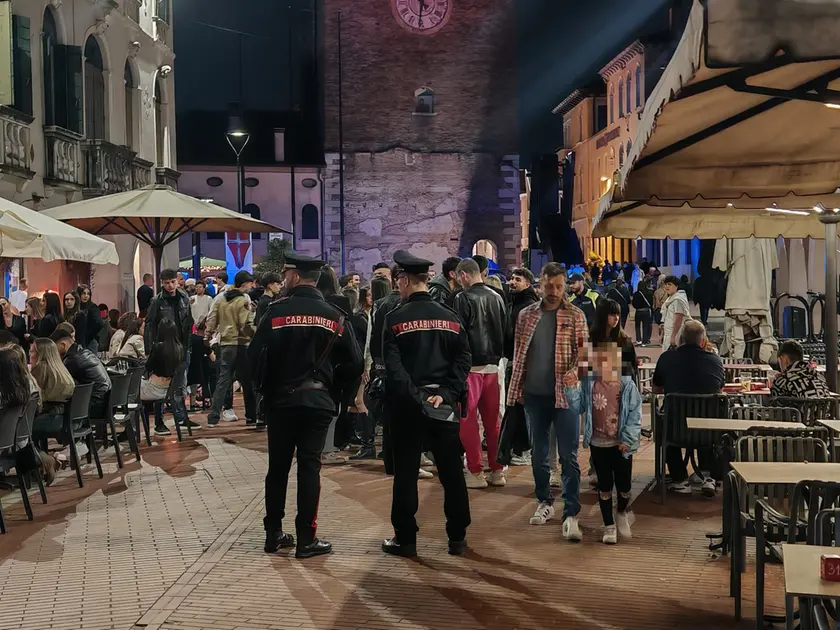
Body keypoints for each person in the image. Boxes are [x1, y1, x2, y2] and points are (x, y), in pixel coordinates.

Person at [249, 251, 362, 559]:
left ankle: (273, 534)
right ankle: (306, 539)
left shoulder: (275, 312)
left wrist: (264, 392)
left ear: (295, 277)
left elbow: (252, 360)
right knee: (309, 467)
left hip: (280, 402)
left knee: (278, 469)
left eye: (286, 275)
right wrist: (338, 396)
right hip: (318, 400)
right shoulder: (335, 316)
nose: (284, 280)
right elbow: (354, 363)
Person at [379, 251, 472, 557]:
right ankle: (457, 536)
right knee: (451, 473)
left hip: (408, 409)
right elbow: (463, 359)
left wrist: (414, 396)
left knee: (406, 474)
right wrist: (447, 392)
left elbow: (393, 369)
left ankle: (405, 539)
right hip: (443, 407)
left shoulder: (394, 318)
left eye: (399, 280)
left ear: (404, 280)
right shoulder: (450, 316)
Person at [508, 262, 587, 541]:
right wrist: (515, 390)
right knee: (539, 455)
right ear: (539, 285)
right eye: (548, 286)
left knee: (569, 456)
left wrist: (574, 371)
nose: (553, 291)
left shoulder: (576, 315)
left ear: (565, 286)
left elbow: (586, 356)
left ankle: (571, 511)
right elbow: (519, 354)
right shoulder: (526, 315)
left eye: (558, 286)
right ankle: (545, 502)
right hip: (534, 395)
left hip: (565, 396)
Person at [565, 343, 641, 544]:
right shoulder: (590, 384)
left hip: (621, 444)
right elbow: (578, 407)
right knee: (604, 486)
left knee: (624, 486)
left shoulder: (627, 386)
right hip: (598, 443)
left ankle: (622, 511)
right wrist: (571, 388)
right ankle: (608, 526)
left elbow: (635, 415)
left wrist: (629, 439)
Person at [652, 320, 724, 495]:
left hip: (676, 429)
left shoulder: (666, 358)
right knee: (709, 417)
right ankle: (707, 476)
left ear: (681, 339)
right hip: (707, 432)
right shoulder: (715, 361)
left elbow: (656, 389)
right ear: (702, 341)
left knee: (664, 419)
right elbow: (720, 390)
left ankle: (679, 478)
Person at [453, 258, 507, 489]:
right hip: (493, 368)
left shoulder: (462, 298)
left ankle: (474, 470)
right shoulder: (497, 297)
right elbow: (506, 330)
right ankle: (497, 470)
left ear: (464, 275)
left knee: (468, 420)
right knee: (493, 421)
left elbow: (458, 334)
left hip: (470, 368)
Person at [144, 268, 198, 431]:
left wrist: (187, 346)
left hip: (181, 348)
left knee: (180, 384)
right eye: (167, 283)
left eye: (173, 282)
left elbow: (188, 322)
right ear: (162, 283)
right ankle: (159, 422)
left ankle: (181, 418)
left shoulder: (184, 297)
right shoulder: (157, 301)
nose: (170, 285)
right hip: (164, 349)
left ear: (177, 280)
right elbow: (149, 325)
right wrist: (151, 349)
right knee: (162, 385)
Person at [205, 270, 257, 426]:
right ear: (244, 283)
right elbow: (245, 323)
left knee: (223, 380)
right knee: (247, 381)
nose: (251, 286)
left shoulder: (220, 298)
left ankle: (213, 417)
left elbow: (212, 318)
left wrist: (207, 336)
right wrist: (255, 335)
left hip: (226, 343)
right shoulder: (244, 298)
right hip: (242, 344)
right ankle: (251, 416)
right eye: (250, 283)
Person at [50, 326, 112, 421]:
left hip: (93, 406)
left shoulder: (72, 360)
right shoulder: (84, 352)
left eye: (54, 348)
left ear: (63, 344)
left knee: (53, 409)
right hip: (104, 402)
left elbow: (63, 385)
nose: (53, 352)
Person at [140, 319, 186, 435]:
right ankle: (158, 423)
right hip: (169, 390)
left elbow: (149, 366)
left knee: (132, 387)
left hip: (154, 389)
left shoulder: (158, 347)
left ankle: (133, 428)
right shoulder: (180, 348)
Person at [661, 275, 691, 351]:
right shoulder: (671, 298)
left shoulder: (678, 300)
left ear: (676, 286)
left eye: (670, 284)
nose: (667, 286)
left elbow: (678, 319)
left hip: (675, 333)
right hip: (668, 332)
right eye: (666, 284)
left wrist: (673, 337)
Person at [632, 274, 654, 345]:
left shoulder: (636, 294)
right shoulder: (649, 293)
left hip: (638, 311)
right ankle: (644, 341)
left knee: (637, 326)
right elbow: (651, 303)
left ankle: (638, 340)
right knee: (645, 326)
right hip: (647, 311)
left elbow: (633, 304)